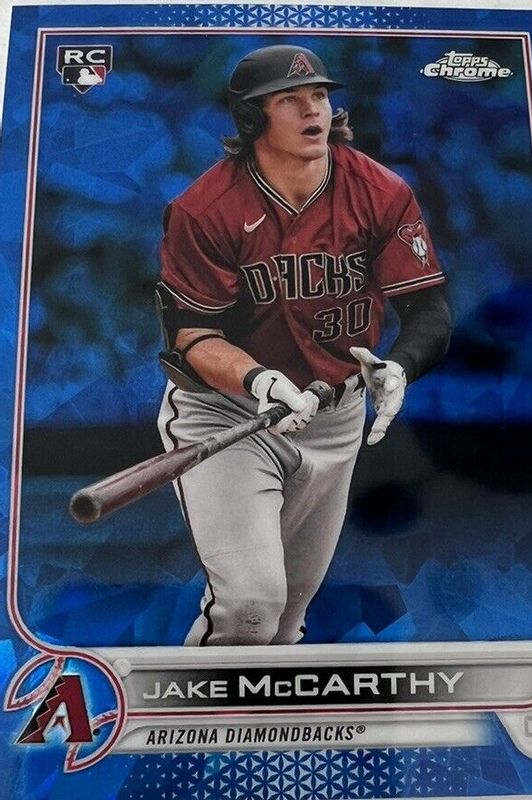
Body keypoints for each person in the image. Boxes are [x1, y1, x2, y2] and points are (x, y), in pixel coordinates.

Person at [156, 44, 451, 646]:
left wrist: (399, 366)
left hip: (335, 416)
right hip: (229, 414)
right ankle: (193, 711)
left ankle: (266, 708)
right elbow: (192, 336)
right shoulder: (205, 209)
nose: (313, 109)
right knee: (249, 606)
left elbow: (428, 311)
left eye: (319, 95)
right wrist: (258, 379)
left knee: (287, 617)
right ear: (251, 117)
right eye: (289, 100)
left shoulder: (380, 191)